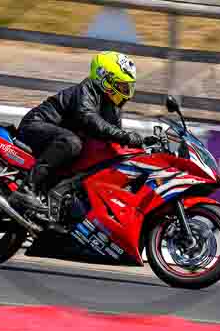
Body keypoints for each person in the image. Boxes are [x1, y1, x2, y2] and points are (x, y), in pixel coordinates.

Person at [9, 51, 144, 213]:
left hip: (60, 141)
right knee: (72, 142)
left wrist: (141, 144)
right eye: (121, 85)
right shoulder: (86, 90)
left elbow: (112, 137)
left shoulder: (112, 107)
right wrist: (124, 136)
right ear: (103, 78)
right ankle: (26, 189)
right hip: (37, 125)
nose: (125, 91)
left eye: (127, 86)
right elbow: (88, 118)